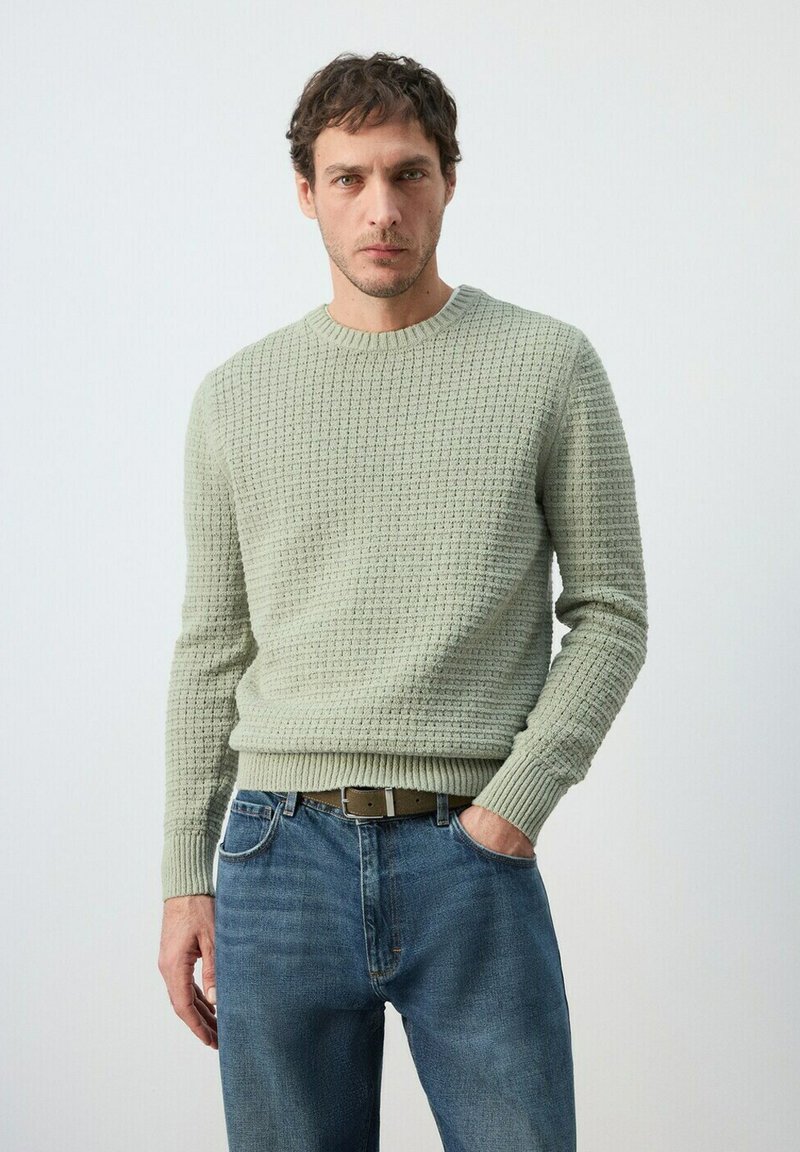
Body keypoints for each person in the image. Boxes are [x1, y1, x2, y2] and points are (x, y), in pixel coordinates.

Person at [157, 50, 648, 1152]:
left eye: (407, 173)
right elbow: (210, 648)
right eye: (348, 178)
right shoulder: (235, 398)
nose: (380, 208)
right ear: (307, 193)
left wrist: (512, 806)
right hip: (275, 857)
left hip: (468, 853)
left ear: (448, 181)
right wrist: (184, 876)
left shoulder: (546, 366)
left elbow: (611, 610)